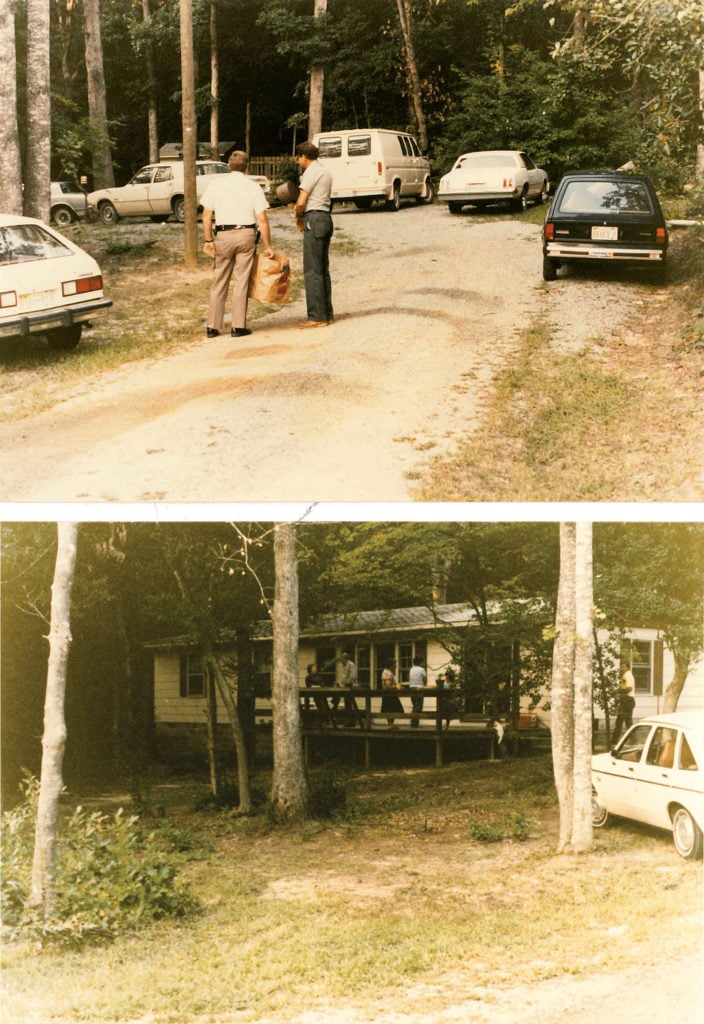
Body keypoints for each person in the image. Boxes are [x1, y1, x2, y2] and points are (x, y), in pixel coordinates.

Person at [201, 151, 273, 339]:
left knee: (219, 279)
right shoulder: (253, 187)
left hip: (223, 235)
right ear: (247, 166)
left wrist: (208, 240)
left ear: (228, 165)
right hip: (245, 234)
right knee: (242, 280)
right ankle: (238, 325)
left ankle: (213, 326)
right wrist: (268, 246)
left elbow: (206, 216)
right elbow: (262, 219)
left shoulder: (216, 185)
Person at [293, 141, 333, 329]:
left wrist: (298, 215)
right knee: (322, 268)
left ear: (304, 156)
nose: (298, 161)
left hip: (313, 217)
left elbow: (301, 201)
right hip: (325, 217)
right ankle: (326, 313)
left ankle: (316, 316)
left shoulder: (310, 172)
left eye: (299, 157)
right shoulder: (324, 170)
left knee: (312, 269)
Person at [612, 662, 636, 742]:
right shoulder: (627, 675)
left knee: (619, 722)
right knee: (628, 722)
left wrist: (618, 691)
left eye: (624, 667)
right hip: (629, 700)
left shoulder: (627, 675)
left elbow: (629, 688)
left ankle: (614, 741)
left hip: (627, 700)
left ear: (628, 668)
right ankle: (633, 740)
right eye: (621, 667)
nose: (622, 669)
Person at [381, 660, 403, 729]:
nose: (396, 666)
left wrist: (399, 686)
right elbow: (387, 686)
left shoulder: (391, 673)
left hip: (393, 693)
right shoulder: (386, 673)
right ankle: (390, 724)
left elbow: (394, 683)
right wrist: (398, 687)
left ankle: (391, 724)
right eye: (394, 664)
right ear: (391, 665)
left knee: (395, 709)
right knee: (389, 709)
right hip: (388, 694)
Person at [408, 655, 426, 727]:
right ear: (420, 662)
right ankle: (414, 723)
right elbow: (425, 679)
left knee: (415, 705)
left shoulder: (411, 669)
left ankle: (415, 723)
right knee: (418, 706)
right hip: (419, 688)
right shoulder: (422, 669)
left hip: (412, 688)